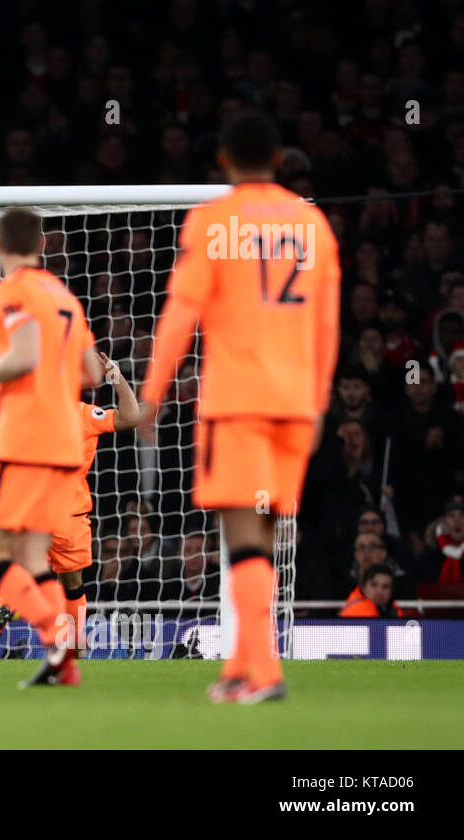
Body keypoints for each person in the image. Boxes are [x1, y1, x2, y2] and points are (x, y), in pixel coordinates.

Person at [139, 111, 341, 704]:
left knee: (242, 538)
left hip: (236, 401)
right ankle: (237, 669)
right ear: (280, 160)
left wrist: (154, 392)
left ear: (222, 160)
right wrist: (320, 400)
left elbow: (182, 312)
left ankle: (268, 674)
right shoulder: (313, 225)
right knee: (267, 533)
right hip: (295, 402)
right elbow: (327, 326)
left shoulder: (214, 219)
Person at [0, 207, 103, 686]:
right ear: (43, 244)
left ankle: (58, 637)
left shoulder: (12, 288)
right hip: (64, 445)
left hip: (25, 438)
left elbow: (26, 356)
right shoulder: (64, 297)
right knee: (34, 558)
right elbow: (92, 374)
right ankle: (65, 667)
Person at [0, 350, 140, 653]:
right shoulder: (83, 414)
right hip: (70, 514)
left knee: (18, 568)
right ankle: (74, 638)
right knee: (72, 579)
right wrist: (116, 376)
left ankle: (4, 604)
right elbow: (131, 417)